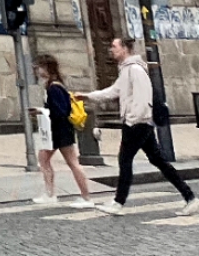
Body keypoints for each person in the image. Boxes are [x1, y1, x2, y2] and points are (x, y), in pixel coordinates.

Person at [79, 36, 196, 216]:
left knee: (125, 160)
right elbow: (113, 91)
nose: (111, 49)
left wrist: (132, 120)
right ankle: (190, 197)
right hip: (139, 123)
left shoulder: (134, 70)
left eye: (114, 46)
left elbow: (143, 99)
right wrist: (87, 96)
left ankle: (118, 202)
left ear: (125, 49)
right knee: (158, 161)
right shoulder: (126, 70)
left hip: (137, 123)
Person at [33, 55, 93, 207]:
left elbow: (60, 111)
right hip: (60, 130)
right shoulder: (55, 86)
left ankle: (85, 197)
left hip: (58, 131)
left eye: (40, 67)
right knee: (46, 159)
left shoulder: (54, 88)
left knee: (70, 162)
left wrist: (42, 111)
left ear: (47, 68)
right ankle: (51, 194)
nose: (38, 70)